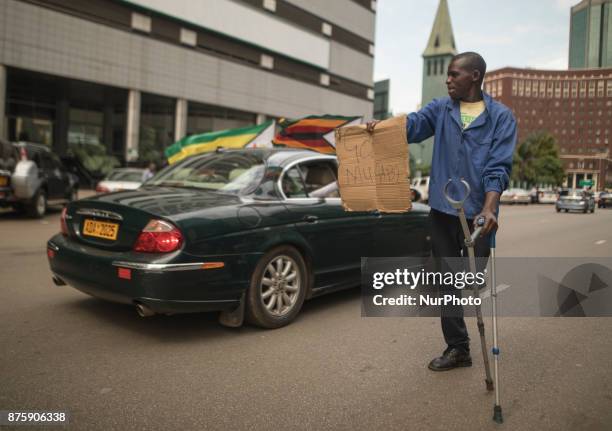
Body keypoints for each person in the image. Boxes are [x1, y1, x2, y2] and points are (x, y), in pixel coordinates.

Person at [367, 52, 517, 371]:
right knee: (446, 281)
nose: (447, 80)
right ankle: (458, 348)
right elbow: (413, 126)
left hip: (479, 217)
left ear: (474, 76)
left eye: (454, 74)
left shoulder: (501, 117)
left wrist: (490, 209)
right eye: (447, 75)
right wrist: (380, 129)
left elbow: (498, 168)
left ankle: (464, 323)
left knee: (470, 279)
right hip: (442, 211)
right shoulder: (440, 109)